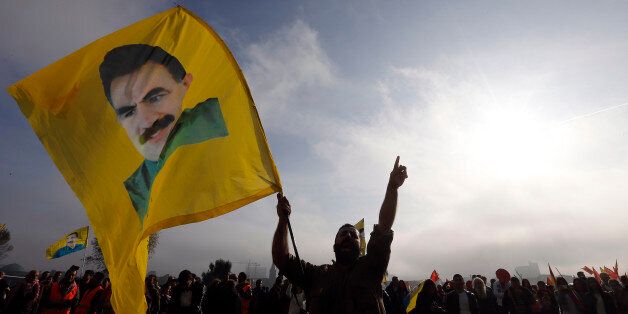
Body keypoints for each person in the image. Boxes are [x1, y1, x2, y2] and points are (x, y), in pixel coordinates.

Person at [98, 44, 229, 221]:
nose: (146, 121)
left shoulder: (226, 119)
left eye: (155, 98)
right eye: (128, 112)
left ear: (185, 84)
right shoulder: (133, 198)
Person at [272, 156, 408, 314]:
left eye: (353, 235)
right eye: (343, 234)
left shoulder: (372, 267)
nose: (349, 236)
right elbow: (281, 259)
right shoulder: (316, 275)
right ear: (334, 245)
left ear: (360, 245)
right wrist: (283, 220)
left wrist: (392, 187)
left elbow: (384, 227)